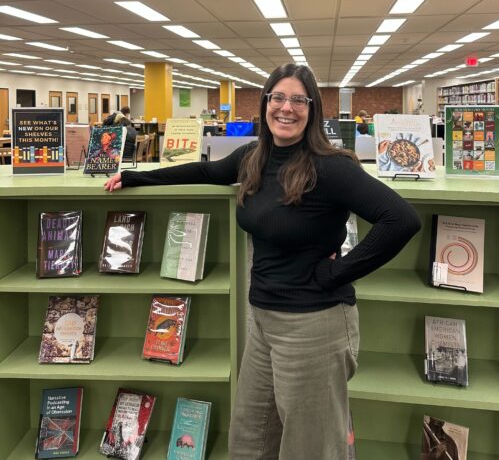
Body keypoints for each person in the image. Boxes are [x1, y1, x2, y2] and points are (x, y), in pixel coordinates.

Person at [104, 63, 421, 459]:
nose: (286, 108)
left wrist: (337, 273)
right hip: (263, 322)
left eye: (298, 100)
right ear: (266, 103)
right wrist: (136, 178)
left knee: (312, 450)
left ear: (312, 109)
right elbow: (206, 170)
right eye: (278, 98)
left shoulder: (331, 166)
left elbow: (402, 219)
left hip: (314, 325)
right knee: (249, 442)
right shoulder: (255, 156)